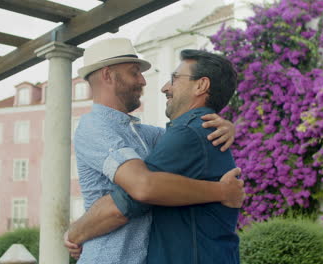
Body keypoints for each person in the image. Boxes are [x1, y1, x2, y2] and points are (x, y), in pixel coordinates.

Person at [66, 38, 244, 263]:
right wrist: (221, 192)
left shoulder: (145, 133)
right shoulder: (93, 127)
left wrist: (227, 125)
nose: (143, 81)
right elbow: (141, 187)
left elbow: (190, 135)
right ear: (107, 75)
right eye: (134, 72)